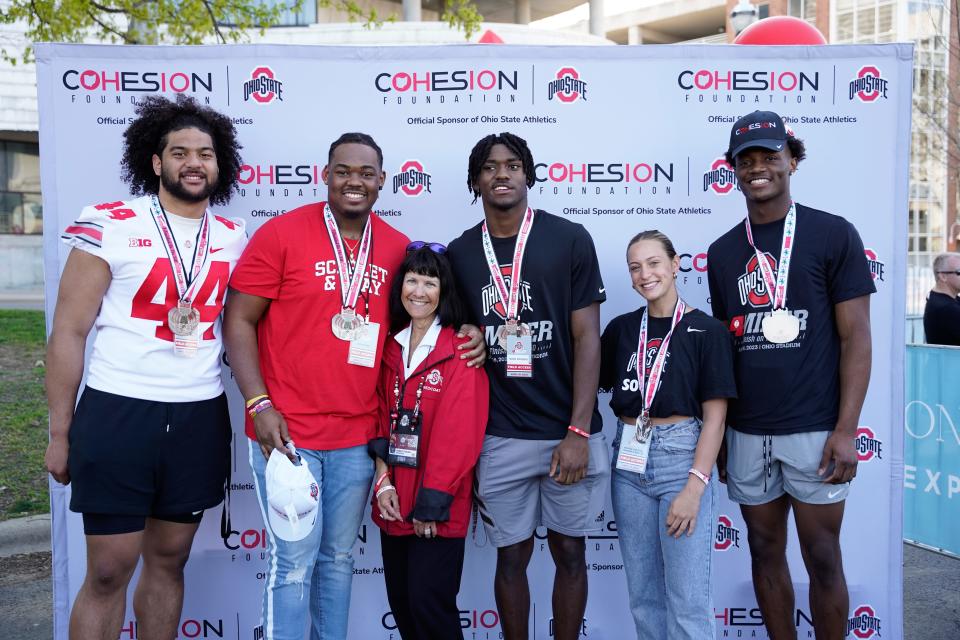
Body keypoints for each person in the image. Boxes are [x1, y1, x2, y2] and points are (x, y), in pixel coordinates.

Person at [222, 133, 485, 640]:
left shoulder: (393, 247)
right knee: (293, 564)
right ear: (325, 175)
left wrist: (468, 330)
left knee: (338, 560)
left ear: (382, 181)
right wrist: (258, 403)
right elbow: (238, 321)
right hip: (287, 433)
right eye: (343, 171)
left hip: (357, 439)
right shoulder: (281, 234)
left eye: (366, 173)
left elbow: (422, 314)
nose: (354, 182)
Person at [44, 95, 246, 639]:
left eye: (204, 153)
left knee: (170, 560)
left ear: (218, 163)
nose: (193, 163)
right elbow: (68, 331)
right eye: (179, 152)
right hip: (117, 410)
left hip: (197, 415)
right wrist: (59, 433)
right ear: (156, 162)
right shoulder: (108, 223)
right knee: (108, 570)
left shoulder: (233, 236)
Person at [707, 111, 875, 640]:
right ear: (733, 170)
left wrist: (846, 430)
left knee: (822, 556)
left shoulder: (832, 233)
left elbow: (857, 337)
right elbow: (725, 350)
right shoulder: (721, 252)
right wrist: (724, 438)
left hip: (815, 429)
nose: (758, 168)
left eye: (770, 157)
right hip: (747, 431)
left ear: (792, 161)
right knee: (763, 553)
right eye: (746, 160)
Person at [446, 132, 610, 640]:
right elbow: (456, 335)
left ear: (529, 174)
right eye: (490, 166)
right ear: (475, 180)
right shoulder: (459, 253)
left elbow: (587, 337)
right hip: (501, 432)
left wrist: (578, 432)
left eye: (513, 165)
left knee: (570, 552)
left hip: (568, 431)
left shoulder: (570, 238)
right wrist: (468, 333)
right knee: (510, 556)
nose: (502, 174)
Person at [600, 230, 736, 640]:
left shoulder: (706, 331)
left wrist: (694, 488)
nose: (645, 274)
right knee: (644, 597)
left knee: (688, 600)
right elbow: (583, 378)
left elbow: (715, 418)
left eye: (654, 263)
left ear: (676, 265)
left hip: (682, 459)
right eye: (635, 267)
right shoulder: (622, 330)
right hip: (628, 462)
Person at [369, 242, 489, 640]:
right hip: (395, 504)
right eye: (412, 280)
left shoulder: (460, 352)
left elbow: (460, 436)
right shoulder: (389, 346)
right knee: (403, 606)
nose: (418, 291)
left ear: (444, 291)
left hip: (436, 508)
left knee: (430, 607)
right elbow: (379, 415)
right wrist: (383, 481)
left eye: (430, 282)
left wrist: (432, 504)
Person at [923, 252, 960, 346]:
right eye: (959, 272)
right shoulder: (946, 308)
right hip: (949, 360)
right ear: (943, 276)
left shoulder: (940, 298)